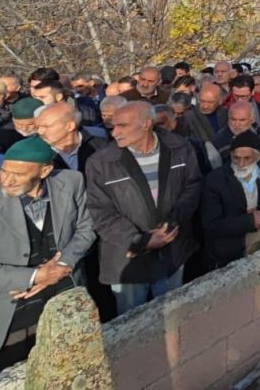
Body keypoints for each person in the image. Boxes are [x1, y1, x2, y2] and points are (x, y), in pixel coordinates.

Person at [0, 136, 95, 372]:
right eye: (4, 171)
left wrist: (62, 265)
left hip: (65, 296)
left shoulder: (72, 181)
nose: (8, 180)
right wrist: (35, 277)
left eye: (19, 174)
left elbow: (86, 229)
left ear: (45, 171)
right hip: (12, 311)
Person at [84, 101, 202, 316]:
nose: (114, 132)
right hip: (127, 258)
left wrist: (168, 228)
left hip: (172, 251)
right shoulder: (100, 163)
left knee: (172, 315)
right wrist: (141, 241)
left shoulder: (181, 149)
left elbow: (192, 187)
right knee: (132, 321)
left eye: (122, 126)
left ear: (147, 123)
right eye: (113, 126)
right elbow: (100, 212)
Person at [200, 131, 260, 269]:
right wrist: (249, 221)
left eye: (247, 158)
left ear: (258, 156)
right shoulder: (215, 180)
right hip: (230, 249)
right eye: (236, 158)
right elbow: (211, 224)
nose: (241, 164)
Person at [34, 102, 105, 173]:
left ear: (70, 126)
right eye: (38, 127)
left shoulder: (101, 148)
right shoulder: (35, 154)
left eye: (46, 126)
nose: (40, 132)